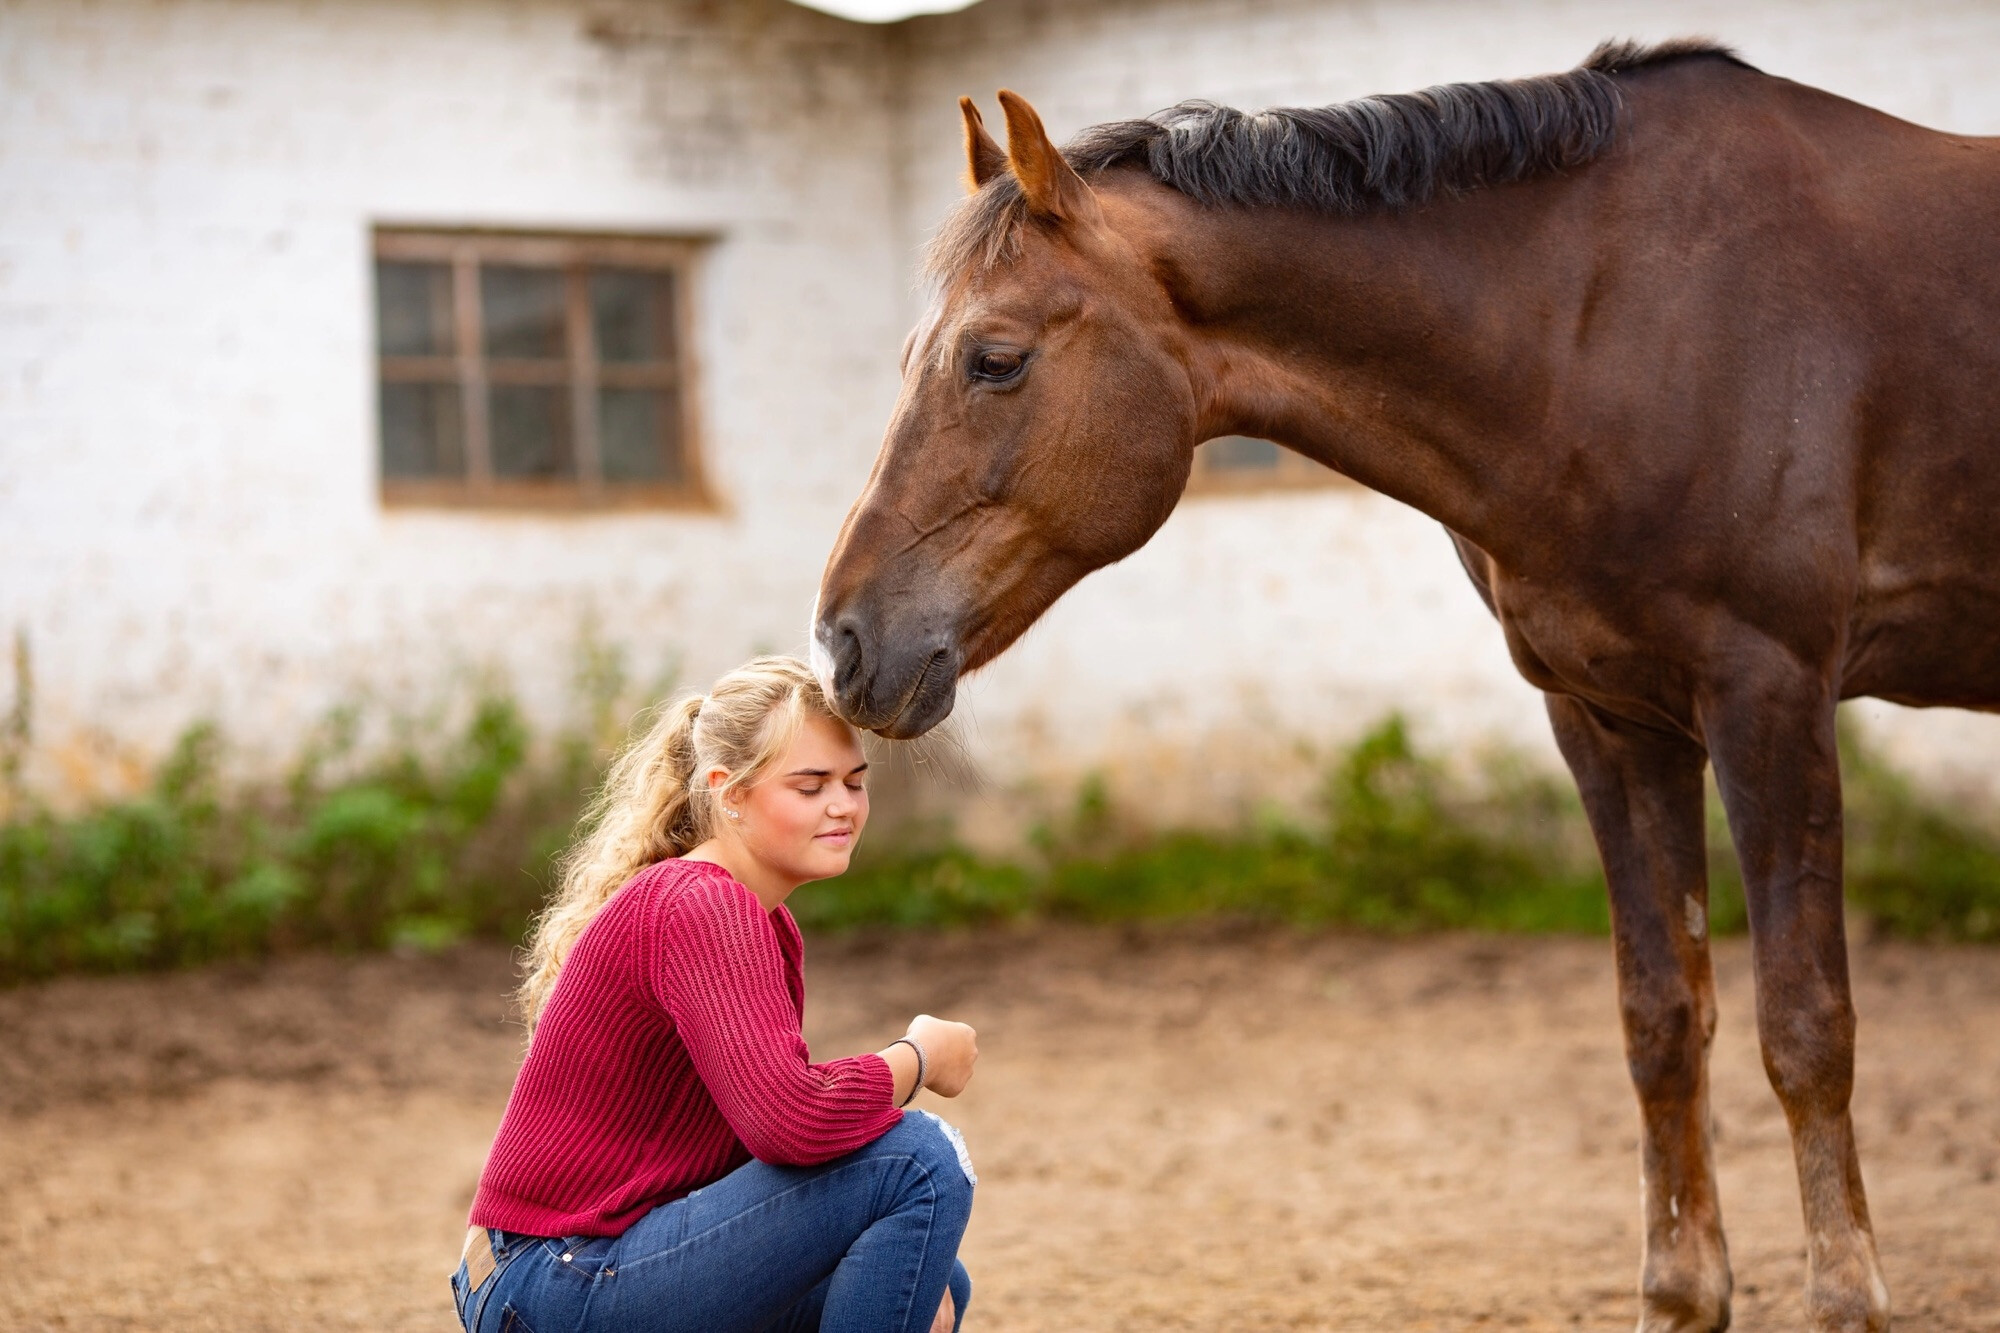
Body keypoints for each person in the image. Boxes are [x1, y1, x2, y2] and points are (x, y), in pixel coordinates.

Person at [452, 656, 980, 1333]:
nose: (843, 804)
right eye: (810, 784)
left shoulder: (758, 917)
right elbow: (790, 1119)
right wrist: (917, 1056)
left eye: (853, 781)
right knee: (920, 1158)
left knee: (928, 1274)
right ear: (729, 792)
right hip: (554, 1275)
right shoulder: (701, 903)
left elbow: (768, 1138)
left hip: (567, 1272)